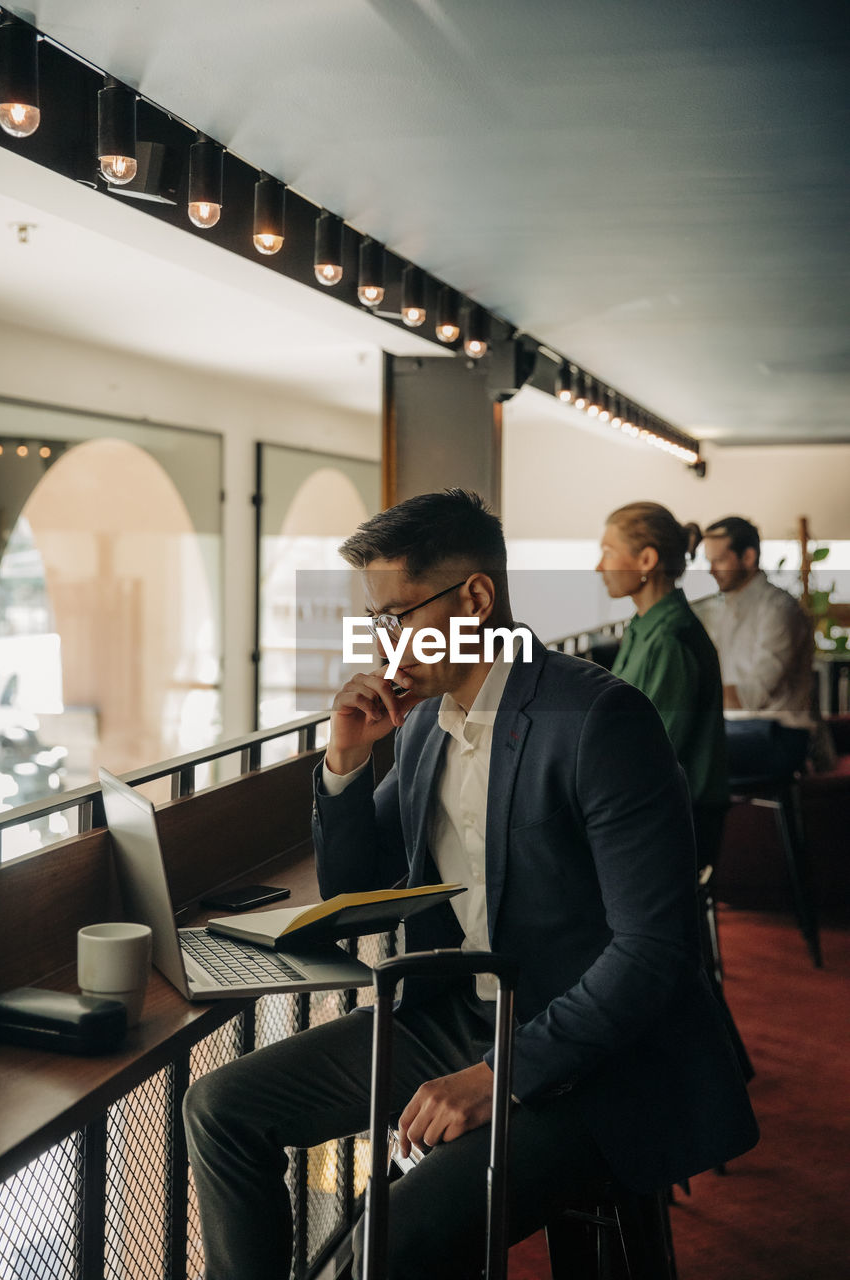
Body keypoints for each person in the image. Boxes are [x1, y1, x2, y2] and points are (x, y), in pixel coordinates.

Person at [184, 489, 757, 1280]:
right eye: (375, 620)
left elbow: (654, 951)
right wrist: (347, 761)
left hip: (597, 1055)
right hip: (460, 1015)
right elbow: (357, 886)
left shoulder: (597, 721)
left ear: (476, 598)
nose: (383, 641)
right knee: (219, 1109)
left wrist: (501, 1074)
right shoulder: (424, 720)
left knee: (387, 1243)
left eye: (396, 615)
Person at [595, 501, 727, 869]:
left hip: (676, 818)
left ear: (646, 560)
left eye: (608, 553)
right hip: (654, 807)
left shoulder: (669, 639)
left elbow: (653, 754)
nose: (599, 566)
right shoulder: (644, 627)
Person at [699, 516, 814, 783]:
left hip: (779, 736)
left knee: (683, 750)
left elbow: (755, 694)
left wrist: (694, 692)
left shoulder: (778, 609)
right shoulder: (725, 607)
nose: (710, 570)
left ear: (748, 557)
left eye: (718, 560)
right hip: (738, 728)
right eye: (708, 561)